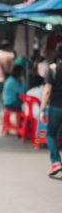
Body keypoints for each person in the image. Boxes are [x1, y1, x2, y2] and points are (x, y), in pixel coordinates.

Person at [40, 44, 62, 176]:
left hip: (56, 107)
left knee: (50, 135)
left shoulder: (53, 69)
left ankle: (56, 162)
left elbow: (47, 91)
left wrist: (42, 109)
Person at [0, 40, 15, 122]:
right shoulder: (10, 55)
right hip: (8, 80)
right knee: (5, 98)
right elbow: (12, 69)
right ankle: (5, 116)